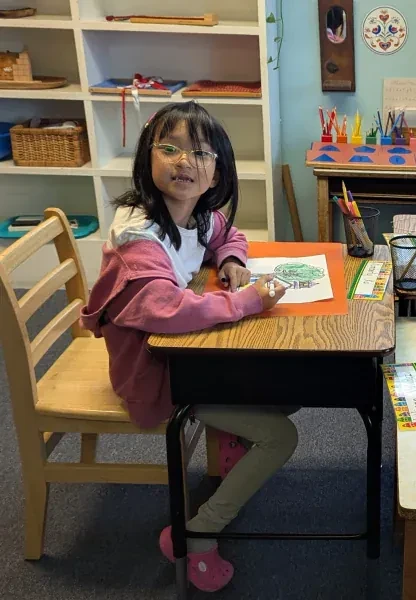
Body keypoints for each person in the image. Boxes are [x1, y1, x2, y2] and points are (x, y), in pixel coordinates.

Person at [80, 102, 298, 592]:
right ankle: (198, 532)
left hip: (188, 360)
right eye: (170, 148)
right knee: (282, 435)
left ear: (216, 170)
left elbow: (229, 232)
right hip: (159, 376)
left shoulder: (195, 214)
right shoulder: (139, 237)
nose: (184, 161)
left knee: (294, 383)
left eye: (200, 153)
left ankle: (230, 447)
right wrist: (243, 301)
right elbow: (168, 310)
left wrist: (233, 259)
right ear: (147, 157)